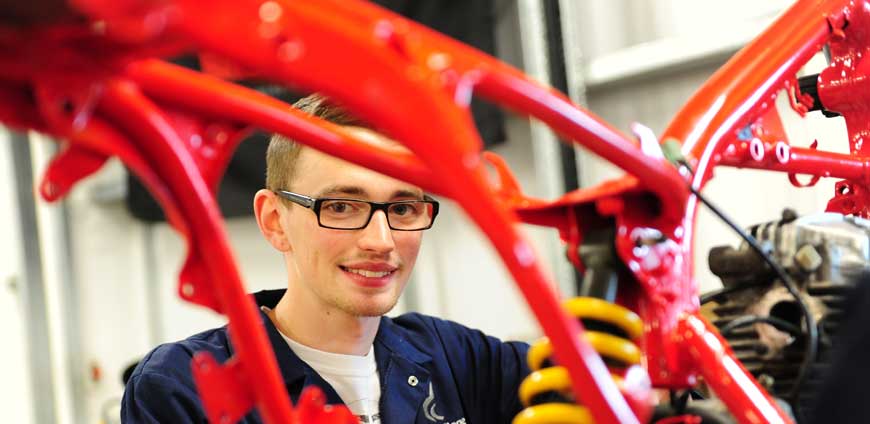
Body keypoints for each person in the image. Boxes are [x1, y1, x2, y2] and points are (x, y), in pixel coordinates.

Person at [121, 94, 531, 423]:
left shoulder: (455, 357)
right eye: (340, 207)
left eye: (402, 209)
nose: (381, 240)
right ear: (275, 221)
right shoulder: (183, 385)